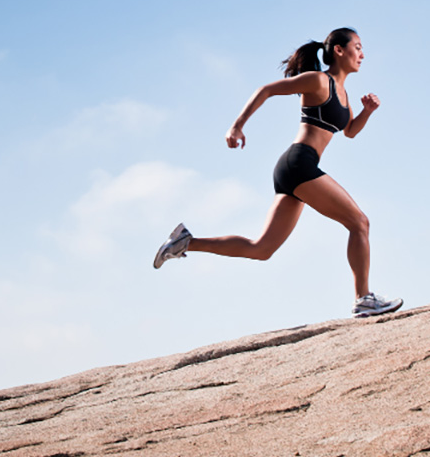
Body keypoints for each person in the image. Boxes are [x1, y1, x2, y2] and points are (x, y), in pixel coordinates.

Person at [153, 27, 402, 318]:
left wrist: (367, 112)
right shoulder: (320, 81)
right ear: (339, 50)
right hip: (300, 164)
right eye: (357, 47)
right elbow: (267, 90)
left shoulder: (344, 95)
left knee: (262, 249)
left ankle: (185, 242)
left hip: (296, 169)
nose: (362, 54)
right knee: (359, 223)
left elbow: (348, 132)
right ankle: (364, 298)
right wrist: (237, 125)